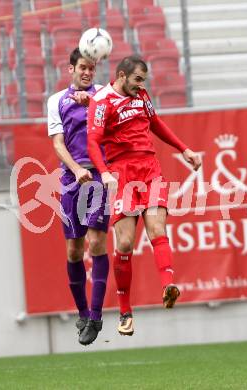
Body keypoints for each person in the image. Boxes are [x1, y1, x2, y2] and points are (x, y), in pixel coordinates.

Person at [87, 55, 201, 336]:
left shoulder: (141, 97)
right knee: (125, 243)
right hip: (122, 171)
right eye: (137, 80)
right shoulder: (102, 101)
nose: (141, 86)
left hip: (149, 168)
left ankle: (168, 286)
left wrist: (183, 149)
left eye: (144, 81)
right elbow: (93, 140)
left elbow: (155, 122)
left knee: (157, 229)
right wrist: (104, 172)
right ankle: (125, 311)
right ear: (122, 75)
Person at [47, 48, 110, 346]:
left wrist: (94, 102)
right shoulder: (56, 101)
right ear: (71, 68)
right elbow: (58, 143)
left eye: (92, 68)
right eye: (82, 67)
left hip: (99, 176)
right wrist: (75, 169)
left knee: (97, 242)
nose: (87, 73)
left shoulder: (105, 95)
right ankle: (83, 313)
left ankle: (96, 316)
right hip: (71, 178)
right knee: (74, 250)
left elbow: (114, 127)